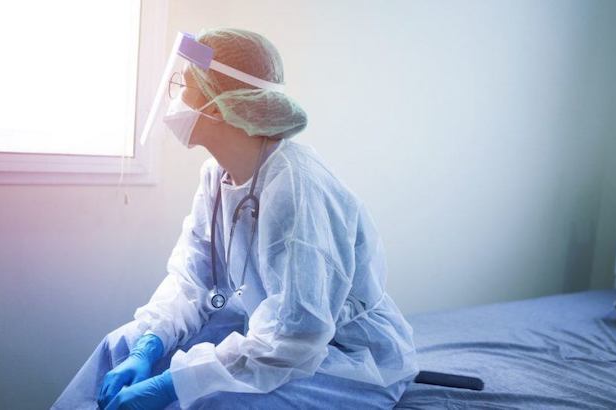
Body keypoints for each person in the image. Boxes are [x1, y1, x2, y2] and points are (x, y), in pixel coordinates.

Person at [53, 28, 418, 410]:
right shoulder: (216, 175)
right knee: (121, 347)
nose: (176, 96)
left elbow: (294, 337)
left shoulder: (296, 188)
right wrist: (150, 344)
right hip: (267, 330)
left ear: (216, 104)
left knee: (205, 402)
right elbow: (193, 281)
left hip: (340, 357)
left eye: (186, 82)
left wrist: (171, 385)